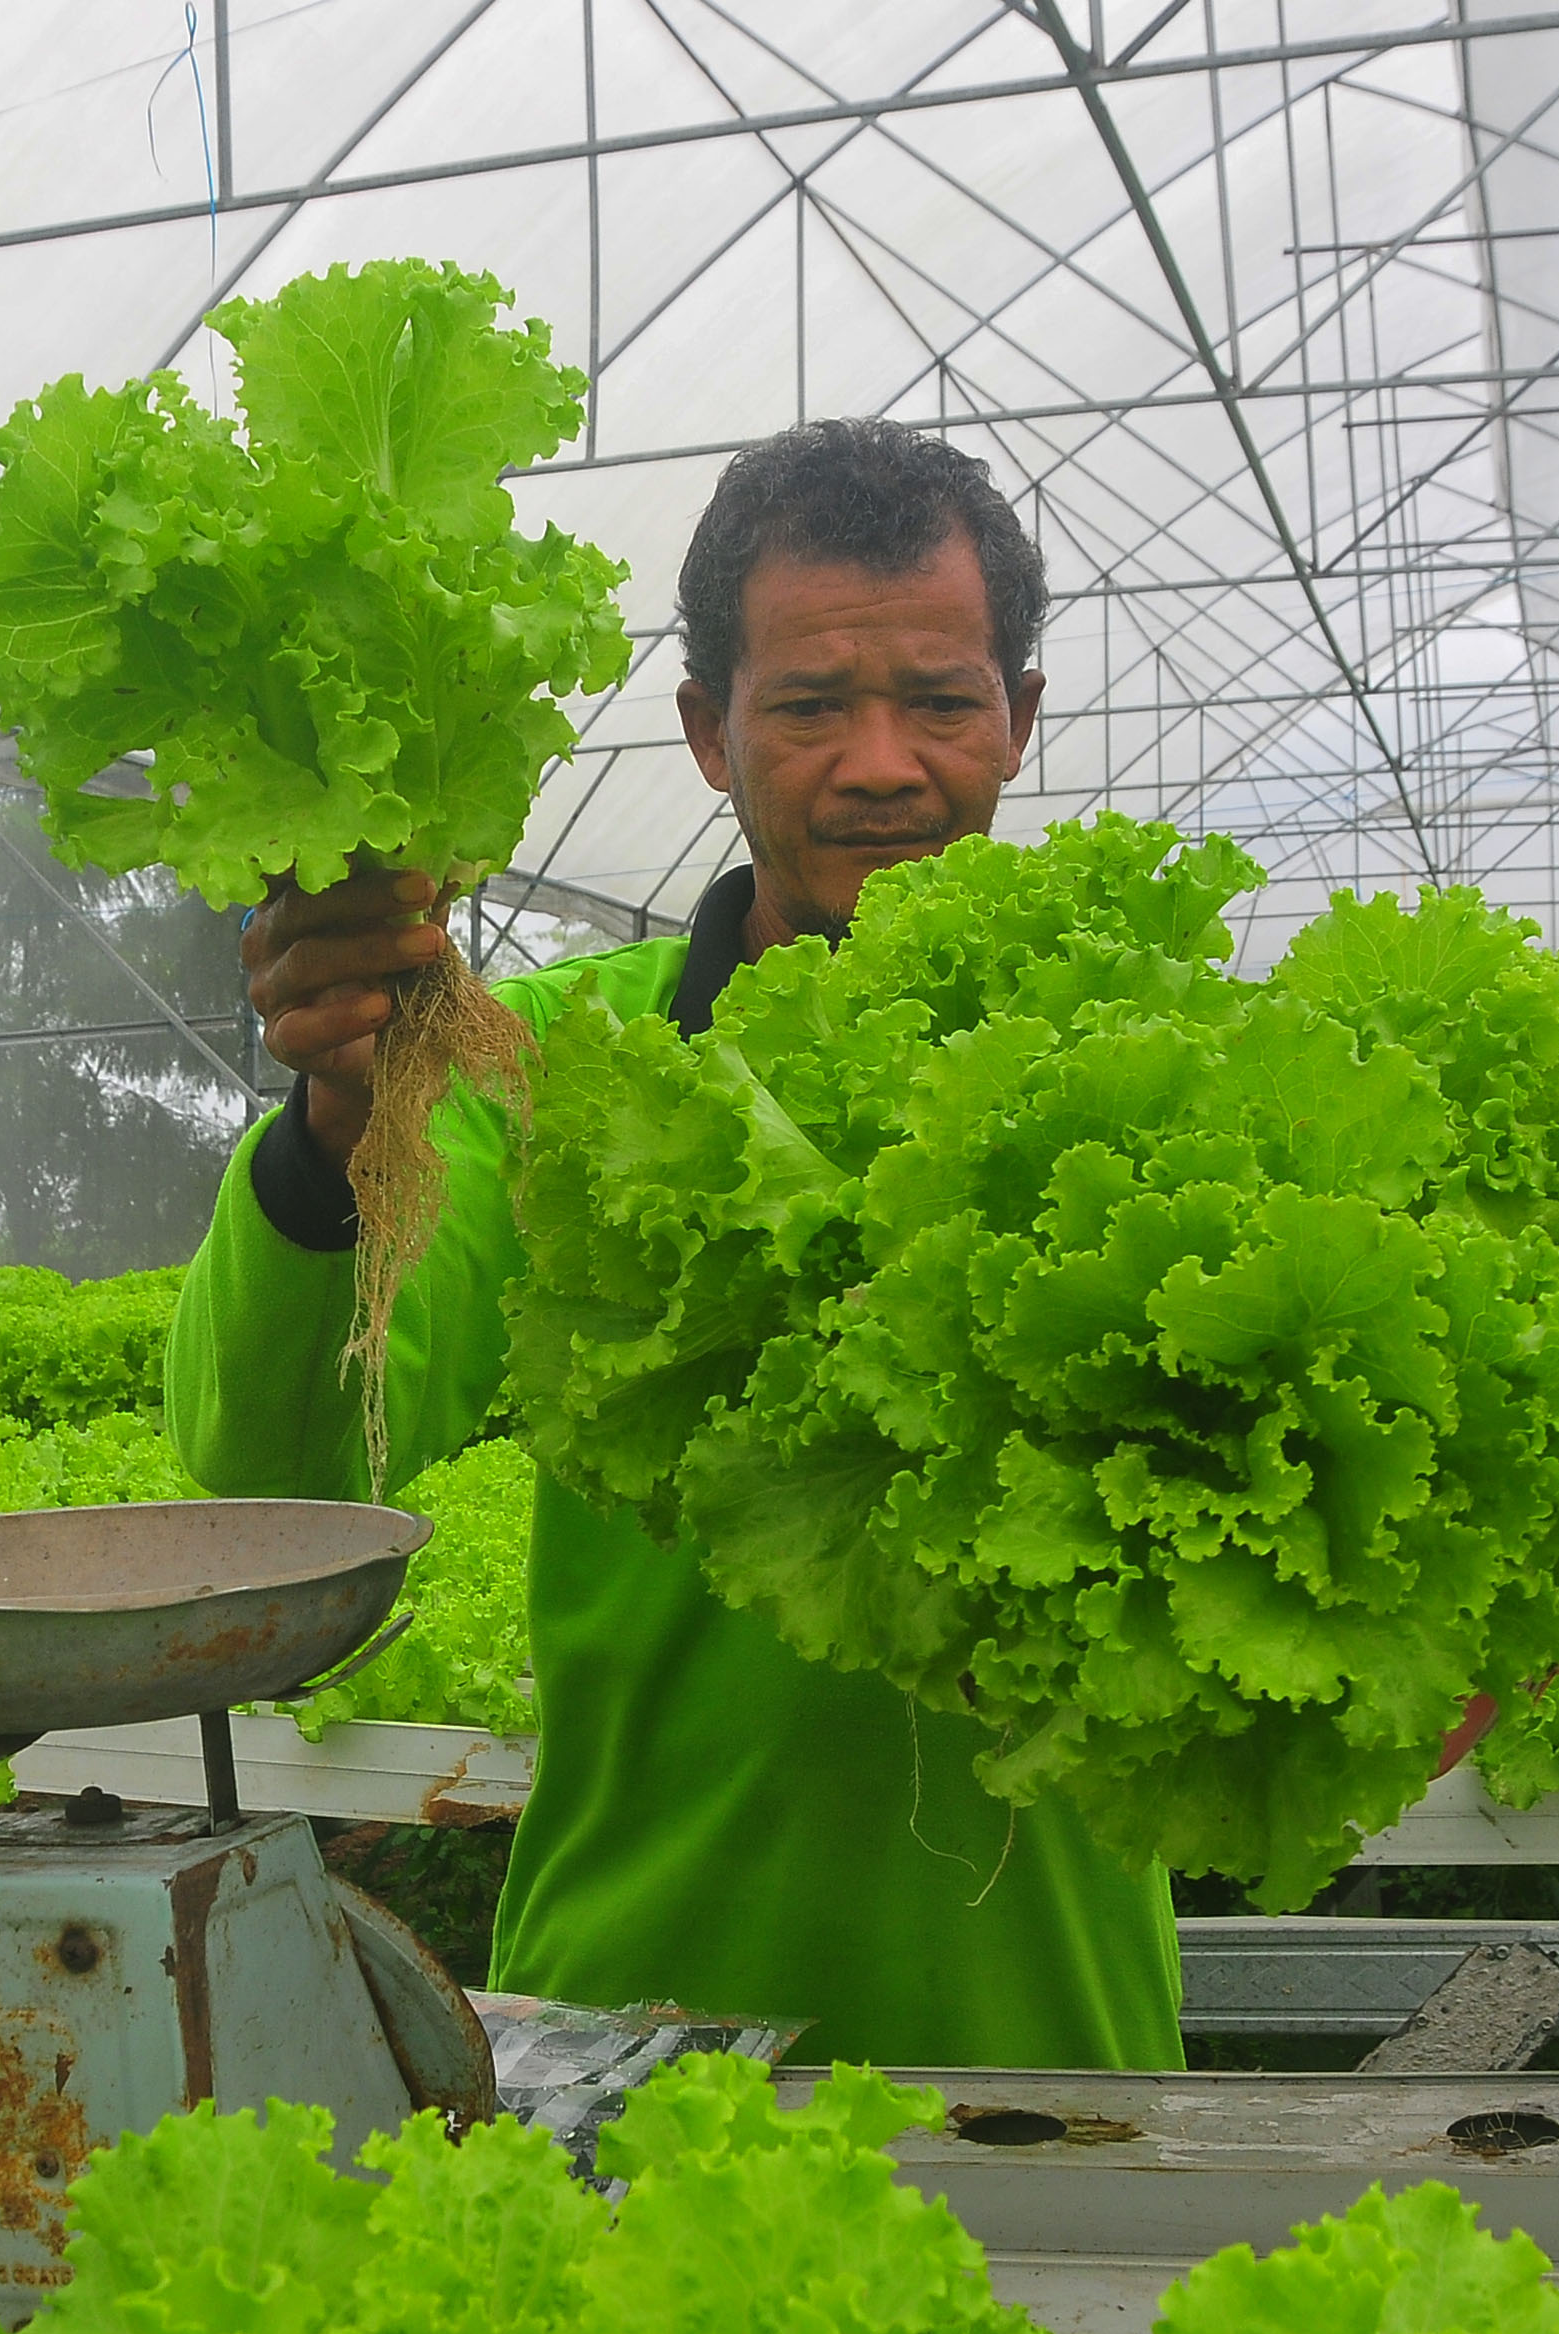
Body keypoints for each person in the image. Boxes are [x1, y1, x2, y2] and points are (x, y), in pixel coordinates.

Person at [165, 418, 1181, 2071]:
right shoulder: (542, 1074)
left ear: (1021, 720)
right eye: (807, 706)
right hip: (630, 2035)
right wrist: (340, 1138)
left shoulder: (1154, 1068)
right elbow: (285, 1474)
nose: (879, 762)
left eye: (940, 700)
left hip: (1051, 2045)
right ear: (709, 735)